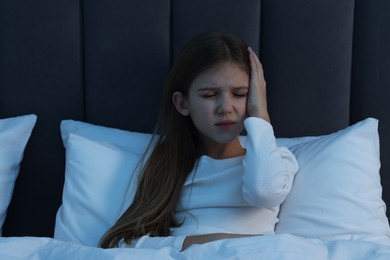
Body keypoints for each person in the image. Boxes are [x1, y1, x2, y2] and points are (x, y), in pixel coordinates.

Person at [99, 31, 298, 251]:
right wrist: (214, 244)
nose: (226, 108)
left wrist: (260, 116)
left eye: (240, 94)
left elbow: (263, 191)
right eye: (210, 95)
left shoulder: (277, 161)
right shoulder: (166, 167)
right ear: (183, 104)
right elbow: (122, 244)